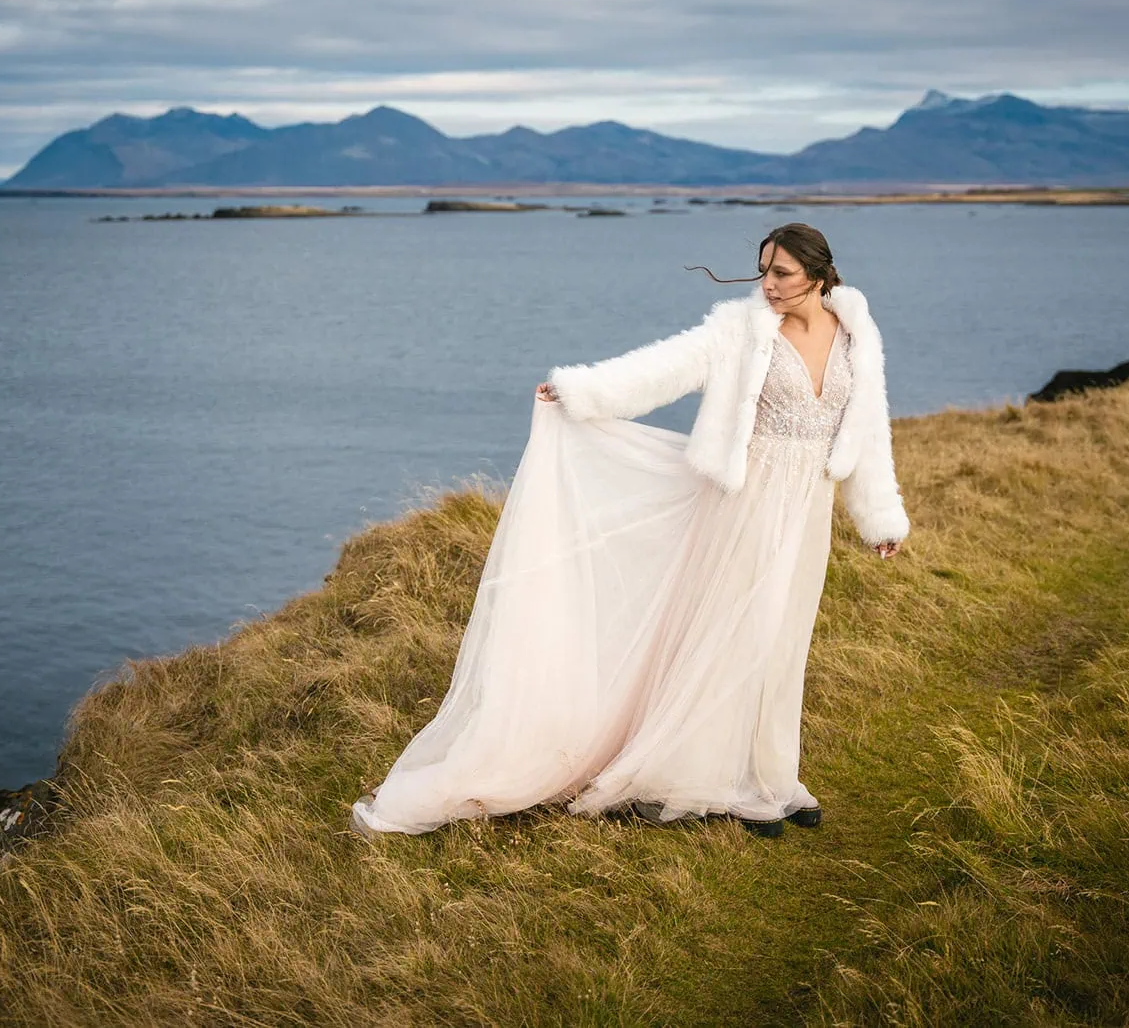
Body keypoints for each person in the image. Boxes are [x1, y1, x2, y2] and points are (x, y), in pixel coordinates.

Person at [351, 223, 908, 840]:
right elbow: (664, 368)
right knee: (732, 636)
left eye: (781, 274)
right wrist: (581, 391)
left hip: (809, 510)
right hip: (744, 503)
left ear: (820, 275)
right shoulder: (741, 330)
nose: (768, 286)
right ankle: (695, 780)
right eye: (763, 272)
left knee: (781, 642)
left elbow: (866, 429)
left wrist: (878, 515)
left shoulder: (856, 333)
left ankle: (771, 779)